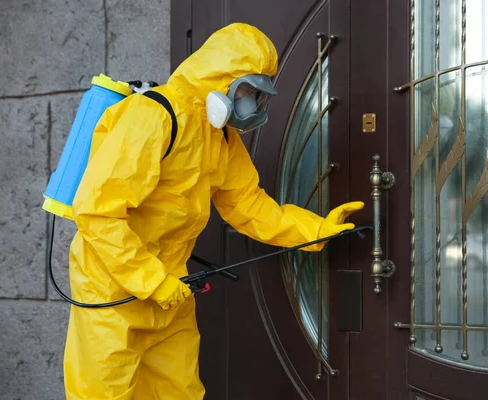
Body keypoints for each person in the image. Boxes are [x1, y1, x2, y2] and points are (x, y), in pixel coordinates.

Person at [63, 22, 364, 399]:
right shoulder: (154, 117)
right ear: (221, 78)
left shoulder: (220, 137)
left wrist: (316, 230)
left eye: (259, 94)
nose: (254, 104)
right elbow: (96, 211)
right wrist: (151, 280)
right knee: (104, 394)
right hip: (112, 289)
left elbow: (249, 206)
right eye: (249, 91)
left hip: (170, 290)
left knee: (180, 392)